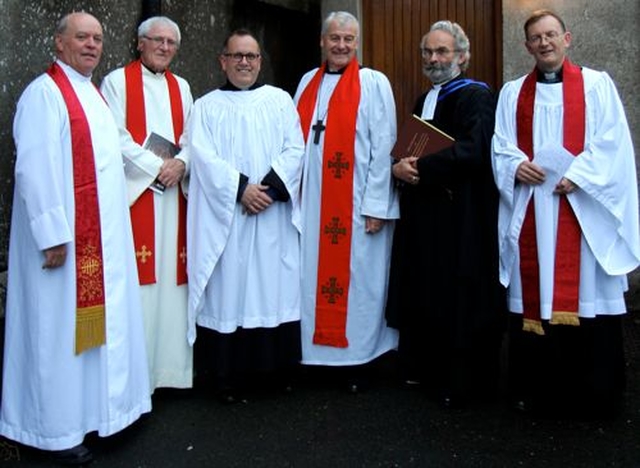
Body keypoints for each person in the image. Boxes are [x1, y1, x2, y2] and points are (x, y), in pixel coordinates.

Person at [0, 12, 151, 465]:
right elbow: (34, 167)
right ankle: (51, 431)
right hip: (64, 246)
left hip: (103, 241)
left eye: (98, 39)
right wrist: (51, 234)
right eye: (81, 37)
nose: (91, 45)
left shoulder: (93, 95)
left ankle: (97, 415)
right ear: (59, 42)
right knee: (56, 334)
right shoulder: (44, 95)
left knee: (93, 335)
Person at [492, 9, 639, 417]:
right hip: (534, 208)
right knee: (532, 300)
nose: (544, 43)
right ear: (527, 46)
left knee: (588, 299)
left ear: (567, 38)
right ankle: (535, 391)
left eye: (551, 35)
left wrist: (579, 175)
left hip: (580, 211)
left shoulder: (596, 86)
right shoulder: (512, 92)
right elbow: (501, 145)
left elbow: (613, 143)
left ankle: (595, 394)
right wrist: (513, 166)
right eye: (536, 37)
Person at [385, 20, 506, 408]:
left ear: (463, 56)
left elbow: (474, 151)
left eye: (442, 52)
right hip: (426, 212)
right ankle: (429, 370)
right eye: (428, 52)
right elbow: (411, 147)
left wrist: (419, 168)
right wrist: (398, 168)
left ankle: (464, 382)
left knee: (459, 292)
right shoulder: (426, 98)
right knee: (428, 287)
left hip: (461, 214)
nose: (434, 59)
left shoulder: (477, 98)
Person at [185, 29, 305, 403]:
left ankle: (274, 373)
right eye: (236, 55)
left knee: (272, 290)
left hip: (271, 218)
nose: (244, 62)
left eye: (251, 56)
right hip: (229, 220)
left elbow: (296, 148)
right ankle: (226, 377)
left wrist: (268, 188)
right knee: (229, 294)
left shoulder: (280, 100)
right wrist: (241, 190)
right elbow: (201, 156)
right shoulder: (205, 106)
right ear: (222, 61)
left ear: (260, 61)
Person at [294, 11, 399, 393]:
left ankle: (357, 359)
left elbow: (384, 144)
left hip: (355, 205)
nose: (341, 46)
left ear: (357, 44)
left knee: (360, 282)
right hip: (313, 205)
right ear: (323, 41)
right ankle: (313, 356)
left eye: (348, 40)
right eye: (335, 38)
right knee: (309, 280)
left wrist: (376, 206)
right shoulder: (308, 82)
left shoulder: (372, 83)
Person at [101, 16, 193, 393]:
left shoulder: (182, 86)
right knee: (141, 286)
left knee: (173, 283)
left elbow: (193, 133)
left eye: (171, 42)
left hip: (173, 200)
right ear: (139, 43)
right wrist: (158, 167)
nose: (164, 48)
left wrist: (182, 162)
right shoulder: (117, 82)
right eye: (157, 40)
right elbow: (113, 136)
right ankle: (136, 380)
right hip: (137, 197)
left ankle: (170, 372)